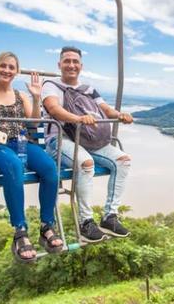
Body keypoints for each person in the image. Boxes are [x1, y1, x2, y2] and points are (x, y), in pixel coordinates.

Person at [0, 51, 63, 262]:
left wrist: (34, 97)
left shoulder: (19, 96)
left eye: (11, 67)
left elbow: (34, 123)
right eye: (3, 66)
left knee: (50, 168)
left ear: (16, 71)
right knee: (13, 165)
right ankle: (20, 230)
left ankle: (46, 225)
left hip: (20, 143)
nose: (7, 70)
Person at [42, 46, 134, 243]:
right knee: (86, 163)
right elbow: (54, 109)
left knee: (123, 160)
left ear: (81, 66)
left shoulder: (88, 89)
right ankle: (86, 222)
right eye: (67, 61)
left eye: (75, 62)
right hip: (60, 140)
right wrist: (78, 118)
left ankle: (110, 216)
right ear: (59, 64)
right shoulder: (51, 86)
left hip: (88, 139)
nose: (71, 65)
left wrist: (120, 115)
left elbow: (106, 109)